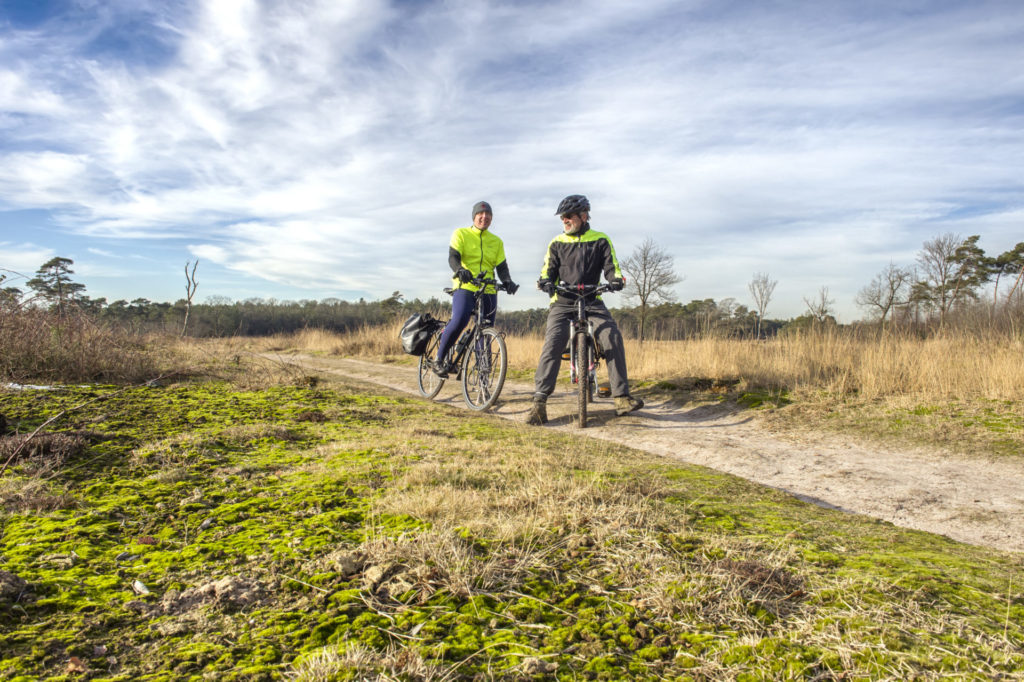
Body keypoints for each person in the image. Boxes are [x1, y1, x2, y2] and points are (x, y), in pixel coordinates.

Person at [526, 194, 643, 424]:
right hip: (563, 301)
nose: (564, 220)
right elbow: (546, 271)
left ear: (583, 216)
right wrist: (545, 281)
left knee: (612, 336)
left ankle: (621, 398)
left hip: (591, 299)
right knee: (553, 342)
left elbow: (612, 268)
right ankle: (539, 403)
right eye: (562, 217)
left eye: (568, 216)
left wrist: (616, 279)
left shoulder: (601, 240)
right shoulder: (556, 242)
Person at [432, 201, 518, 377]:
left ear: (491, 219)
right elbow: (453, 257)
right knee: (460, 320)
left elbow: (501, 267)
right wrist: (460, 270)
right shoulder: (461, 234)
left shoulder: (496, 241)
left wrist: (507, 281)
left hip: (488, 289)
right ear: (474, 216)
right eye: (481, 214)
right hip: (466, 285)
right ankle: (438, 359)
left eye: (488, 216)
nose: (484, 217)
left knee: (485, 330)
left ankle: (483, 375)